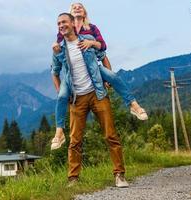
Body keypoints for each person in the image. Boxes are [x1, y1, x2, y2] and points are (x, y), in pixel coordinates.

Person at [51, 2, 148, 150]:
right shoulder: (63, 32)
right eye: (74, 6)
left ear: (84, 14)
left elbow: (102, 47)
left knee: (114, 77)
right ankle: (59, 132)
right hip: (74, 77)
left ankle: (133, 105)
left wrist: (91, 42)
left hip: (94, 69)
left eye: (80, 6)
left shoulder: (91, 29)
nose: (77, 8)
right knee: (62, 96)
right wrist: (56, 50)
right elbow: (59, 55)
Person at [51, 12, 129, 187]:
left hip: (97, 94)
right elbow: (54, 72)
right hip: (77, 99)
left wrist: (108, 79)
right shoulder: (59, 49)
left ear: (72, 23)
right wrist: (61, 93)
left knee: (111, 135)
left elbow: (103, 56)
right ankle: (73, 179)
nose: (61, 26)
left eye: (63, 22)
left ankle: (119, 175)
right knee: (75, 140)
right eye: (58, 24)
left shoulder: (87, 40)